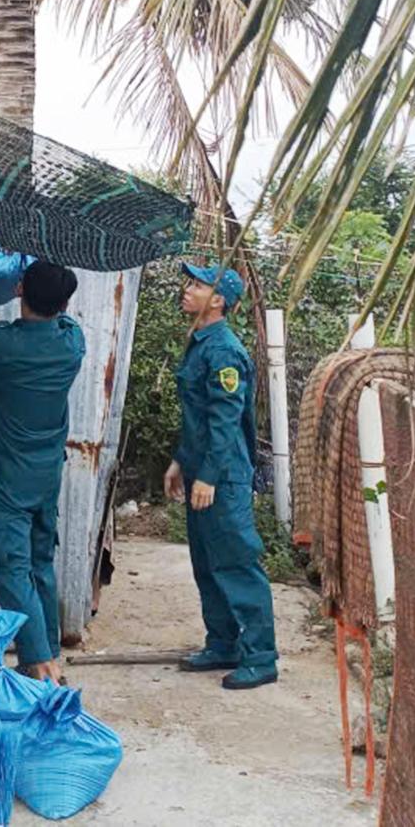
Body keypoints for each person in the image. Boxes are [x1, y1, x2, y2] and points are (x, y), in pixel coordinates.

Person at [0, 260, 85, 684]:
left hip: (6, 481)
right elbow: (51, 312)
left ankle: (41, 664)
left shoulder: (3, 346)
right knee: (40, 564)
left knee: (12, 569)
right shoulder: (71, 342)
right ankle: (48, 654)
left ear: (20, 289)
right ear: (64, 303)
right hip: (44, 479)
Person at [163, 263, 279, 690]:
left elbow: (225, 420)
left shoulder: (225, 350)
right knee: (207, 563)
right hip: (202, 470)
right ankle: (224, 643)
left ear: (218, 300)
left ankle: (262, 657)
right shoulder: (199, 343)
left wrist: (209, 476)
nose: (186, 289)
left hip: (223, 476)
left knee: (236, 562)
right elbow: (198, 418)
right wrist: (181, 462)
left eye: (196, 284)